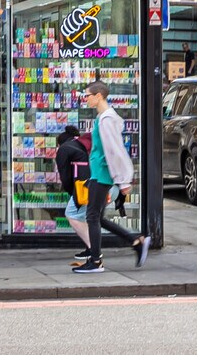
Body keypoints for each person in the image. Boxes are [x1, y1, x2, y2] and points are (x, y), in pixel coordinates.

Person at [73, 80, 147, 274]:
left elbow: (114, 151)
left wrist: (123, 180)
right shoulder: (102, 118)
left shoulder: (106, 119)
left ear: (99, 96)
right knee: (97, 217)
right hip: (98, 172)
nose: (85, 99)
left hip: (103, 174)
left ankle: (96, 261)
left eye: (87, 95)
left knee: (92, 216)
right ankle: (136, 241)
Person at [54, 124, 94, 260]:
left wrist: (71, 193)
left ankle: (94, 250)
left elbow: (65, 176)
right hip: (100, 184)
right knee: (91, 217)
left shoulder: (64, 149)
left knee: (72, 214)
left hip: (83, 187)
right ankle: (91, 249)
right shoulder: (84, 143)